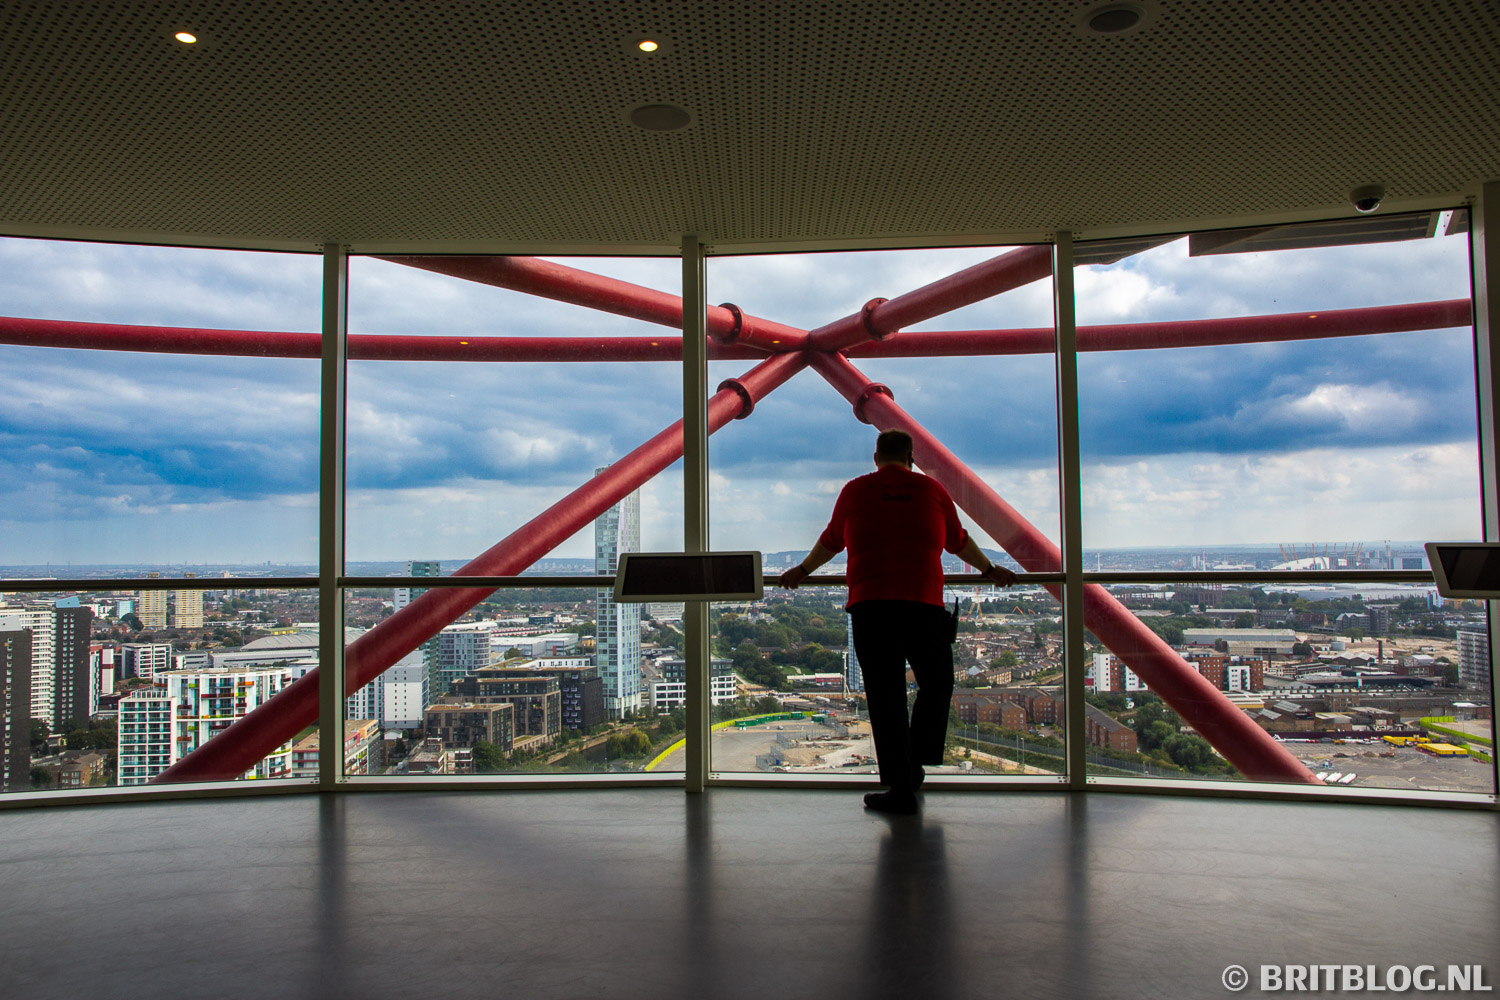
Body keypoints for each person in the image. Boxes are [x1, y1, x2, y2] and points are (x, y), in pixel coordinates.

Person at [779, 429, 1017, 814]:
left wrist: (802, 571)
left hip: (871, 608)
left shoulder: (855, 491)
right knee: (938, 684)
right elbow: (959, 541)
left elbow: (831, 540)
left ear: (876, 458)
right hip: (923, 606)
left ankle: (902, 781)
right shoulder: (933, 491)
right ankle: (916, 763)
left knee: (885, 697)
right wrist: (990, 570)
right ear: (911, 458)